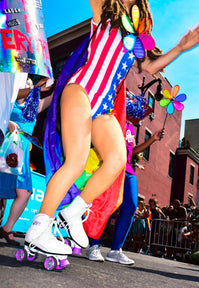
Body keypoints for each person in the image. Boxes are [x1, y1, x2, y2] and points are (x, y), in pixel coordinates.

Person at [24, 0, 199, 259]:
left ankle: (72, 213)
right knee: (77, 160)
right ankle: (38, 229)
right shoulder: (104, 13)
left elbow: (149, 67)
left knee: (117, 160)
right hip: (81, 90)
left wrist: (182, 47)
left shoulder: (136, 39)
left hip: (103, 108)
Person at [86, 120, 164, 264]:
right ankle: (94, 246)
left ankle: (115, 250)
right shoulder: (111, 118)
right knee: (106, 205)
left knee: (131, 207)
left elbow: (133, 151)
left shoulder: (130, 127)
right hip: (110, 165)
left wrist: (153, 139)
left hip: (127, 169)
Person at [0, 77, 53, 246]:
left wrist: (63, 79)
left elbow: (54, 94)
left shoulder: (33, 106)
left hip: (22, 157)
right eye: (25, 82)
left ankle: (7, 228)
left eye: (30, 83)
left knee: (24, 193)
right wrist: (7, 122)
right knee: (2, 195)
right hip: (6, 152)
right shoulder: (8, 100)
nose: (27, 84)